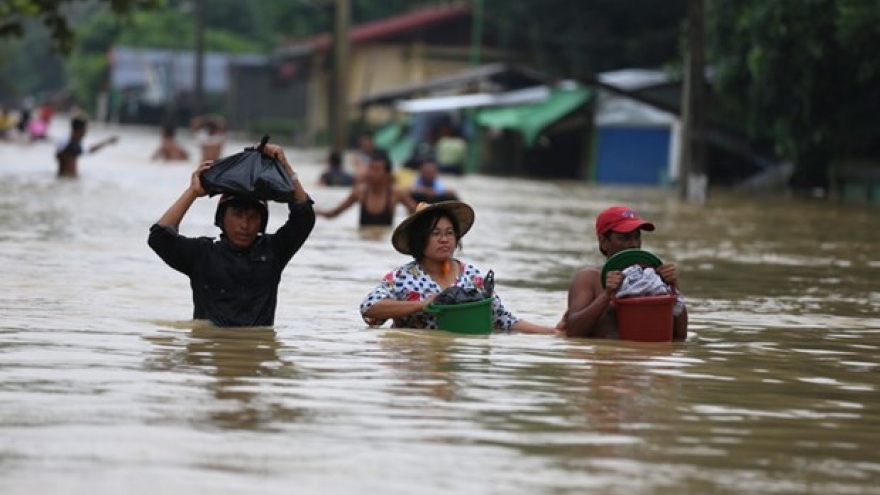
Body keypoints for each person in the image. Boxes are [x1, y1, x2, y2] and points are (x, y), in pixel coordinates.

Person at [147, 143, 315, 327]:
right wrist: (192, 192)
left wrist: (286, 169)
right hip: (212, 344)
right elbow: (159, 238)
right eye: (237, 215)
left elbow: (304, 217)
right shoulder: (203, 254)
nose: (244, 225)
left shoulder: (273, 251)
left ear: (262, 222)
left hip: (257, 345)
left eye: (253, 217)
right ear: (221, 218)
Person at [360, 201, 558, 334]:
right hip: (417, 361)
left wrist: (552, 332)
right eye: (435, 233)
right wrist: (420, 305)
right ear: (420, 240)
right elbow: (369, 308)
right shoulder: (403, 277)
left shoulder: (472, 276)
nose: (444, 239)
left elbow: (504, 321)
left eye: (449, 233)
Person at [561, 206, 688, 341]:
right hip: (609, 353)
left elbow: (680, 337)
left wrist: (673, 287)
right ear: (603, 242)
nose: (633, 244)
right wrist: (606, 295)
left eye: (636, 237)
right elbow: (573, 333)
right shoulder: (589, 278)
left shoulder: (653, 279)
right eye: (624, 238)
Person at [316, 149, 417, 227]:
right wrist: (315, 212)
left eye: (377, 170)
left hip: (385, 242)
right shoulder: (359, 192)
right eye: (370, 169)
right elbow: (333, 213)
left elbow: (416, 213)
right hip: (363, 241)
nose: (371, 173)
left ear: (387, 175)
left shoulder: (397, 193)